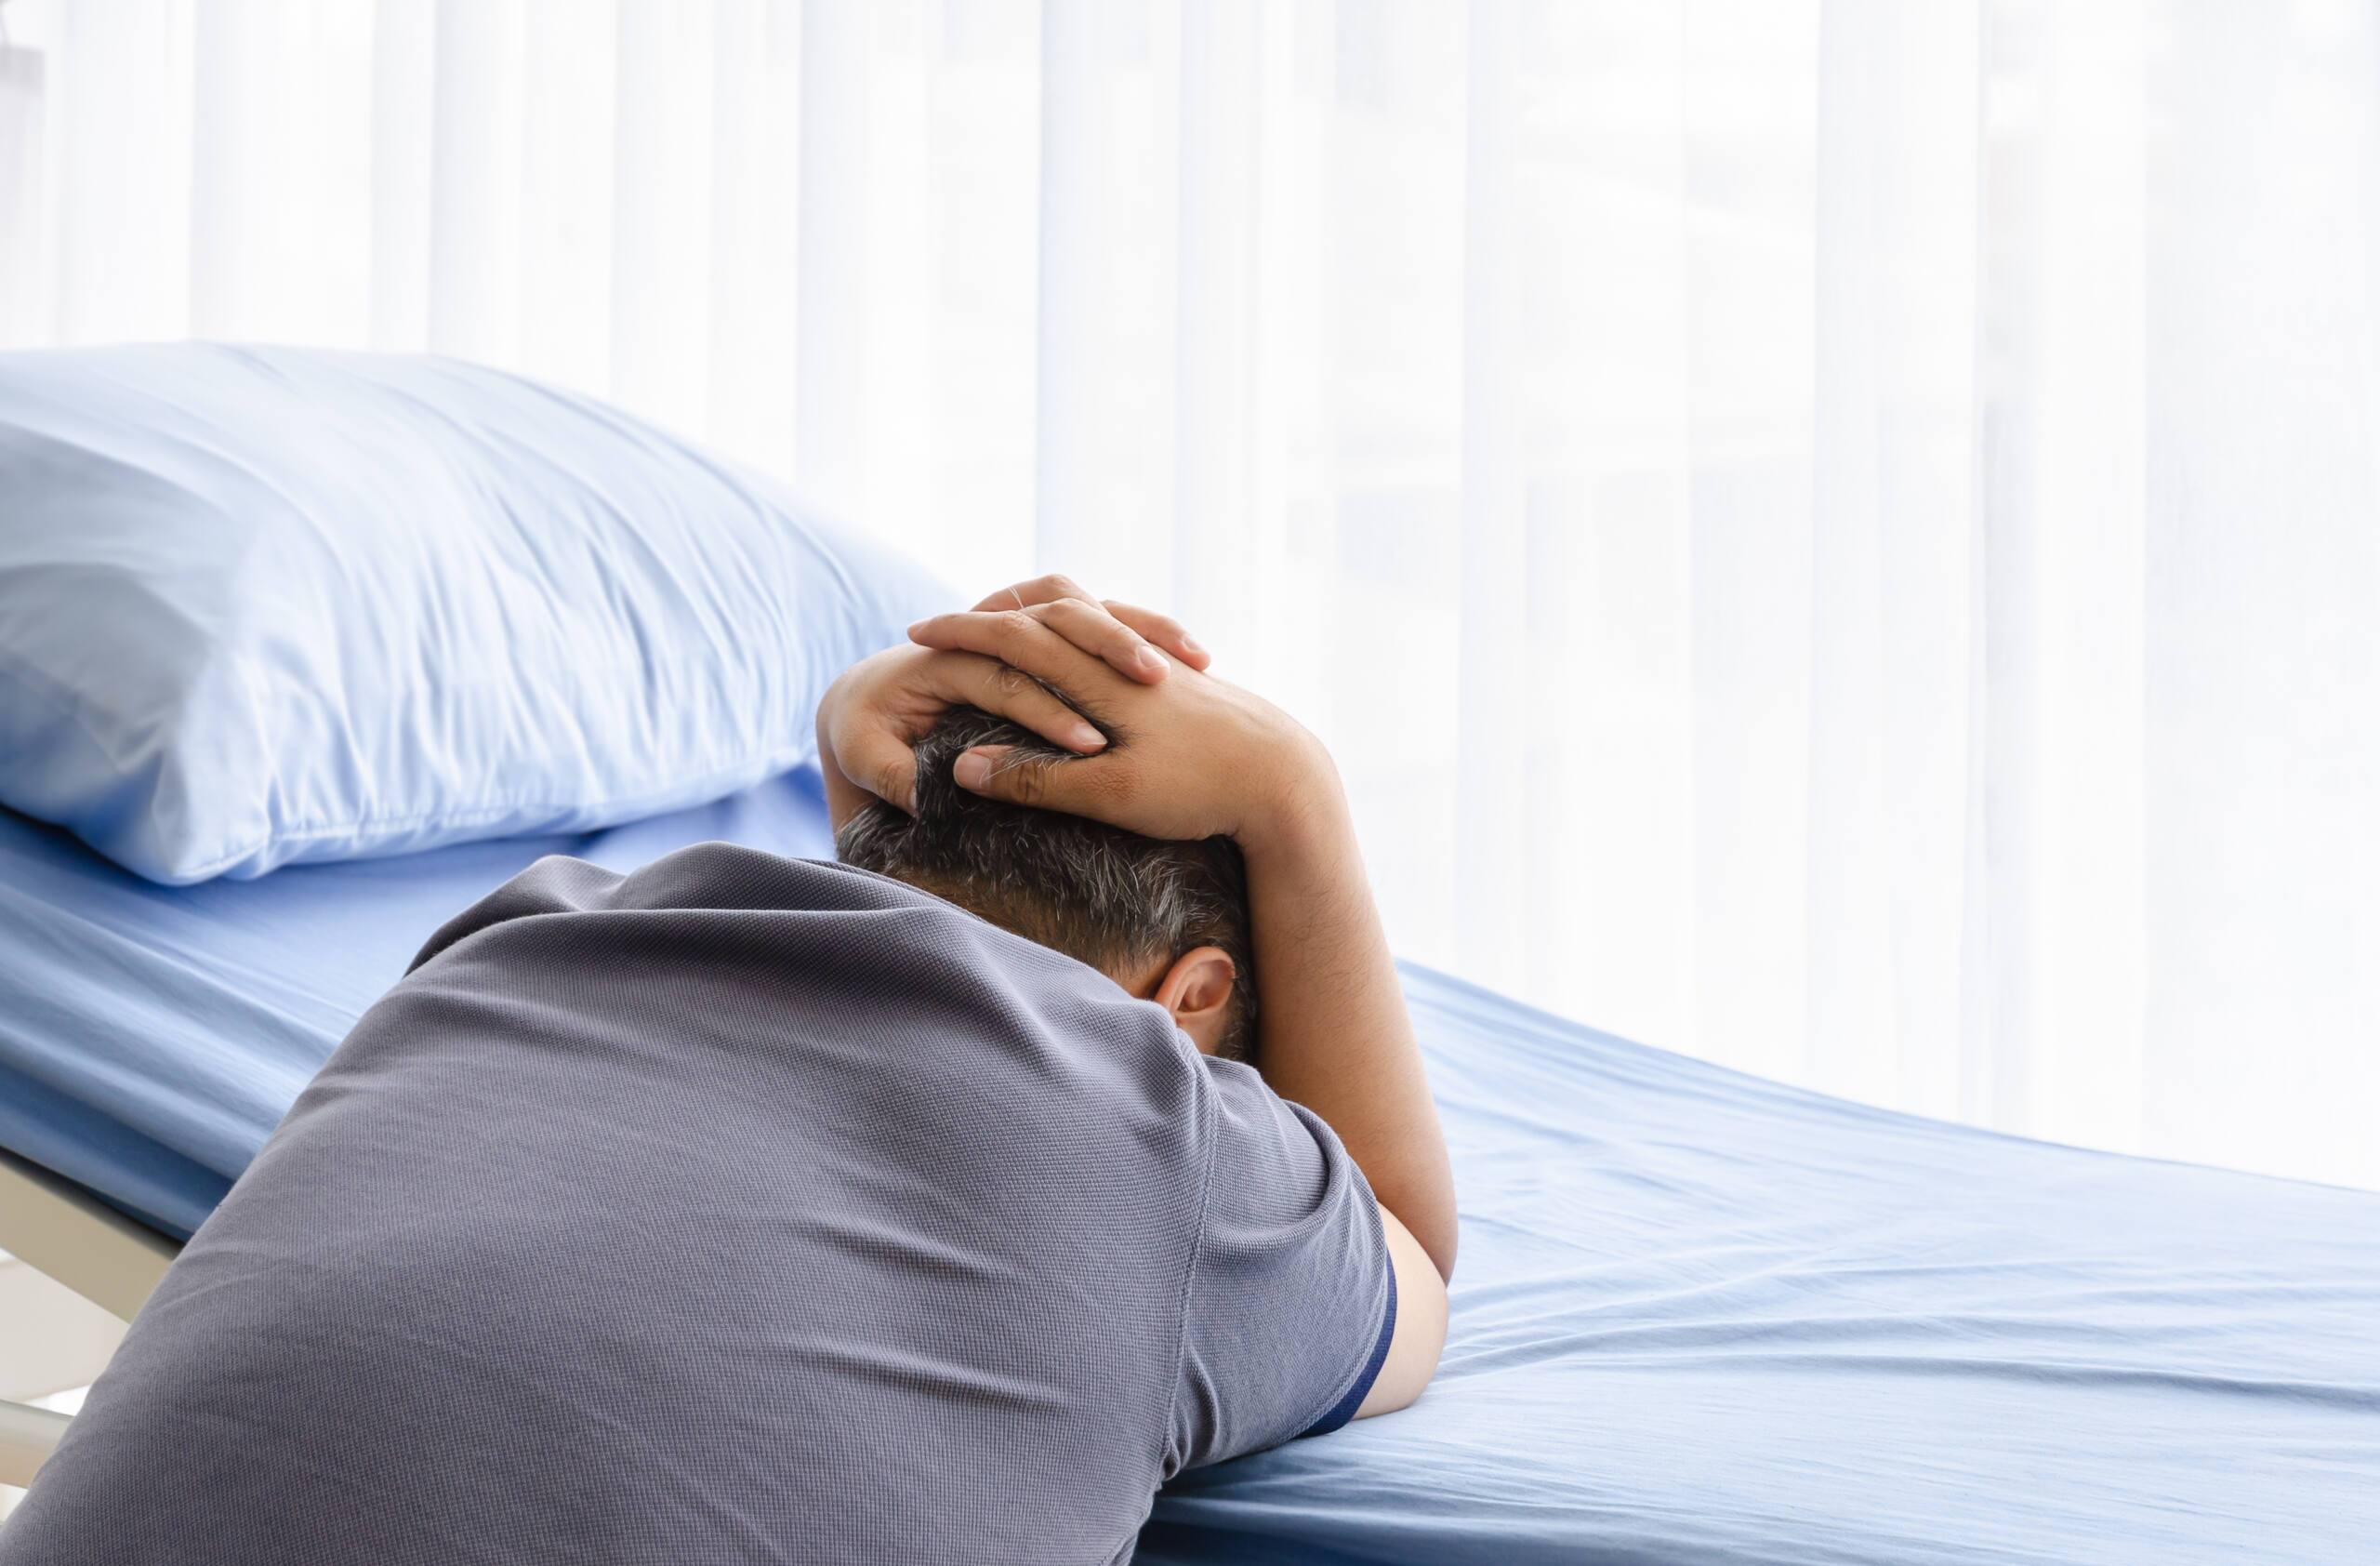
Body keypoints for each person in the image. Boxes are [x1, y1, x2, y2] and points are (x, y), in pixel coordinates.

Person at [0, 577, 1452, 1566]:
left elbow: (871, 936)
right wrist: (1295, 800)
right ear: (1193, 1003)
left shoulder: (530, 937)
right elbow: (1404, 1254)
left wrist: (866, 738)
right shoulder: (1174, 1135)